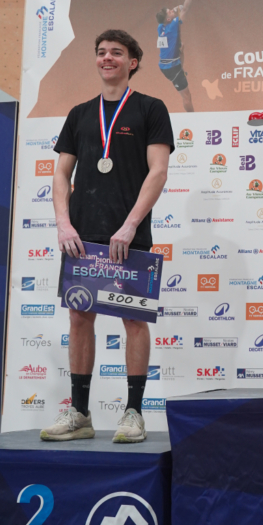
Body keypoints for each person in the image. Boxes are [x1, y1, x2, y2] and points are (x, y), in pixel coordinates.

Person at [41, 29, 174, 444]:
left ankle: (134, 413)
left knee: (134, 320)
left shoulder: (151, 108)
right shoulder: (80, 113)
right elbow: (61, 174)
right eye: (101, 52)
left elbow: (158, 171)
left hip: (129, 234)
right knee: (79, 317)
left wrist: (131, 224)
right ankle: (80, 413)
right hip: (82, 235)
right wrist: (63, 223)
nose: (107, 58)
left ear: (132, 62)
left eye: (116, 52)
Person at [156, 0, 194, 112]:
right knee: (187, 96)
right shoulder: (173, 26)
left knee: (181, 49)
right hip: (171, 67)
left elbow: (173, 12)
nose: (172, 11)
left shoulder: (161, 27)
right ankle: (193, 119)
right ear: (168, 19)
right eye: (170, 12)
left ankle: (181, 71)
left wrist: (174, 9)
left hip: (165, 64)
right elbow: (186, 8)